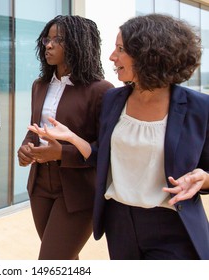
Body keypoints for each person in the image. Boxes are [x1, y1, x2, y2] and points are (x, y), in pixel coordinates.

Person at [28, 13, 209, 260]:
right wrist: (71, 137)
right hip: (119, 223)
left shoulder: (199, 107)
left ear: (149, 54)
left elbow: (206, 171)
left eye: (120, 49)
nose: (112, 56)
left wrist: (204, 178)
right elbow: (101, 156)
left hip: (172, 224)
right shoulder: (115, 99)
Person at [17, 15, 114, 260]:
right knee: (65, 261)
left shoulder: (101, 90)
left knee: (51, 262)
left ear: (79, 44)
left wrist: (61, 153)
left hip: (77, 191)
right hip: (39, 185)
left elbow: (105, 150)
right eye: (47, 39)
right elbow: (34, 129)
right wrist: (26, 148)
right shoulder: (40, 85)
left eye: (57, 40)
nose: (48, 45)